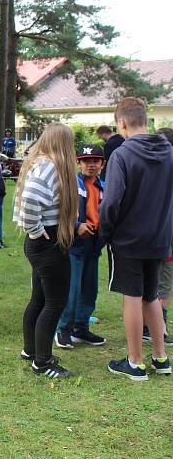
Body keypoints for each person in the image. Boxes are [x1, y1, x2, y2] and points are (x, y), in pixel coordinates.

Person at [100, 98, 172, 380]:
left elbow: (111, 201)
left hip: (129, 238)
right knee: (151, 295)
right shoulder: (169, 151)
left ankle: (134, 361)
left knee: (132, 296)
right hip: (159, 236)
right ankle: (161, 357)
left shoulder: (122, 154)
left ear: (122, 123)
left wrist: (106, 229)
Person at [14, 123, 78, 379]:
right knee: (54, 303)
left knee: (40, 299)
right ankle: (43, 361)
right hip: (47, 242)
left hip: (44, 242)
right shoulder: (49, 167)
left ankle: (32, 351)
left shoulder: (40, 163)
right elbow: (30, 199)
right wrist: (36, 229)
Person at [52, 145, 107, 351]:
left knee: (90, 289)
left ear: (102, 164)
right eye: (86, 161)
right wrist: (76, 226)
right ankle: (62, 330)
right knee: (71, 290)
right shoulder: (71, 184)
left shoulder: (104, 187)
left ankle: (80, 328)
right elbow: (60, 210)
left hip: (94, 244)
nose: (91, 165)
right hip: (75, 244)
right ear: (78, 163)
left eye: (95, 161)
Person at [144, 127, 173, 345]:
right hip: (163, 239)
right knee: (162, 285)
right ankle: (159, 328)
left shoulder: (150, 168)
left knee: (152, 284)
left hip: (150, 237)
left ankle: (153, 327)